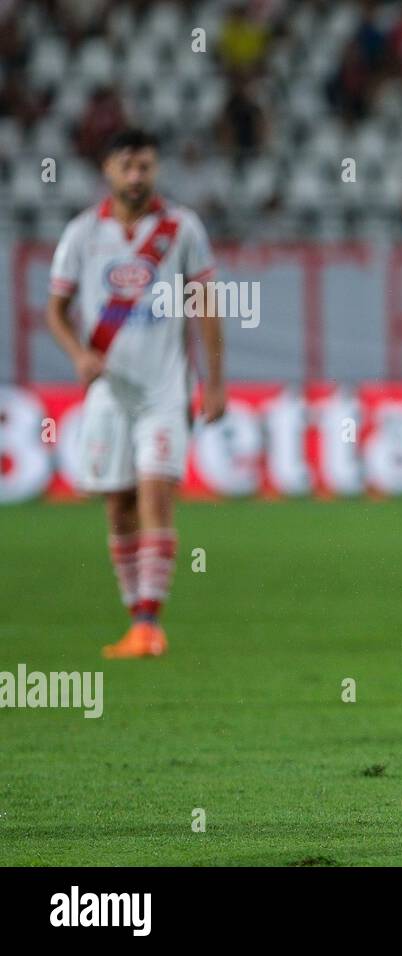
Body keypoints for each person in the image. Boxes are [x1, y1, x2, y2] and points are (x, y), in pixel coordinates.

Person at [46, 128, 225, 659]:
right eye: (126, 166)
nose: (136, 176)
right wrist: (79, 354)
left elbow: (205, 307)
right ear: (107, 171)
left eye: (145, 166)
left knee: (155, 493)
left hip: (165, 390)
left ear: (155, 169)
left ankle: (151, 621)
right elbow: (55, 310)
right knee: (118, 505)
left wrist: (214, 381)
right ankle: (136, 620)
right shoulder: (82, 235)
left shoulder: (181, 228)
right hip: (108, 393)